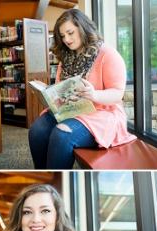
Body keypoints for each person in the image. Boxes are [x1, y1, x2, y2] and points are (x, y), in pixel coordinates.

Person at [28, 9, 135, 169]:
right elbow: (60, 89)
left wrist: (94, 94)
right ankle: (44, 174)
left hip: (101, 113)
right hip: (69, 111)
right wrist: (48, 95)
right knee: (37, 130)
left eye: (70, 33)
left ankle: (56, 179)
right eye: (62, 36)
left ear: (83, 28)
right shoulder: (66, 59)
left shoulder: (108, 54)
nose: (67, 40)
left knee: (62, 135)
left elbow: (117, 94)